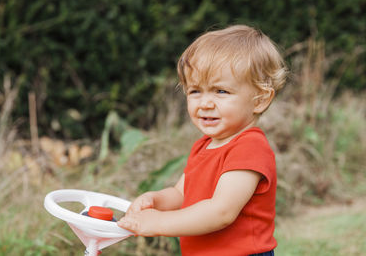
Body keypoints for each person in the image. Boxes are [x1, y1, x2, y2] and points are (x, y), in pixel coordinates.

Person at [117, 24, 288, 256]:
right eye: (195, 91)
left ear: (260, 99)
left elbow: (221, 211)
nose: (205, 103)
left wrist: (158, 223)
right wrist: (155, 200)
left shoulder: (250, 147)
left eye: (221, 91)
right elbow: (181, 195)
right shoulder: (204, 146)